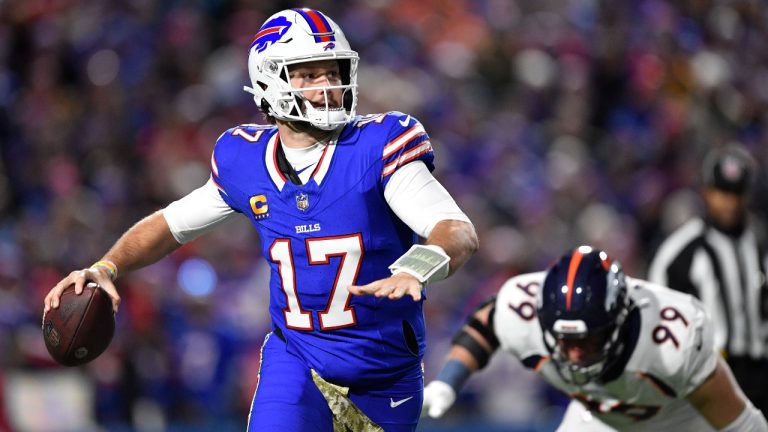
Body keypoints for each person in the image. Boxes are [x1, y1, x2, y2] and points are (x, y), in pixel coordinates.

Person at [43, 8, 478, 432]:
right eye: (309, 75)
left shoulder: (378, 146)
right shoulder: (245, 160)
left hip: (384, 374)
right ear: (271, 81)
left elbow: (455, 231)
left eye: (333, 72)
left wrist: (418, 267)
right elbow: (171, 225)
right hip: (297, 360)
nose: (327, 85)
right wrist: (106, 266)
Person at [422, 246, 768, 431]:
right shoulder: (521, 307)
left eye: (586, 341)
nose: (574, 355)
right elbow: (488, 323)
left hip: (680, 424)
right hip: (599, 419)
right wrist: (449, 382)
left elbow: (742, 423)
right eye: (564, 340)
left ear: (617, 322)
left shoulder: (672, 342)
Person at [648, 144, 768, 414]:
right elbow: (659, 319)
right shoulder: (681, 252)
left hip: (761, 369)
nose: (730, 203)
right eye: (722, 193)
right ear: (706, 192)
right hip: (708, 373)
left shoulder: (761, 242)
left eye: (736, 193)